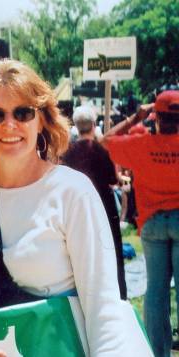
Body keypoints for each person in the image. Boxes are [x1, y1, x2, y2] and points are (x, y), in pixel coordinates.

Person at [0, 59, 149, 356]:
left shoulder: (72, 192)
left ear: (41, 119)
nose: (10, 124)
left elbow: (103, 309)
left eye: (23, 112)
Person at [101, 90, 179, 357]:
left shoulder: (140, 143)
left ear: (157, 117)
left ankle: (159, 354)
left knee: (156, 294)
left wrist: (138, 116)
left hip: (153, 224)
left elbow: (105, 140)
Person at [62, 105, 127, 299]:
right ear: (92, 124)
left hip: (77, 209)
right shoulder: (100, 149)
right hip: (105, 206)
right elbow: (112, 179)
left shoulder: (69, 152)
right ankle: (119, 295)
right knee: (113, 252)